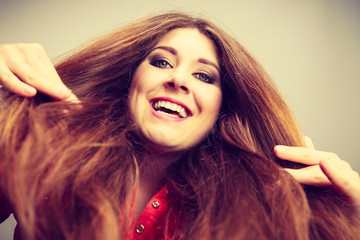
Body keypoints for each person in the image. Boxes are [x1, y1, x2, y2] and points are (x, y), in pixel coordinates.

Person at [0, 13, 359, 240]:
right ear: (131, 81)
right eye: (161, 62)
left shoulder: (263, 203)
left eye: (204, 75)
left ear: (223, 109)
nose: (178, 79)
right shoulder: (49, 152)